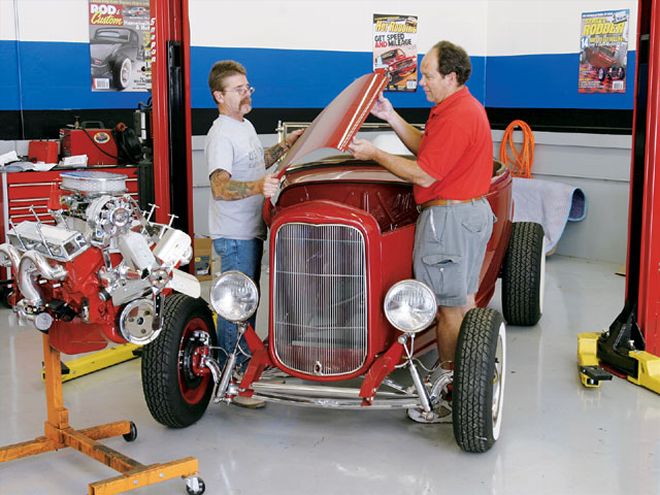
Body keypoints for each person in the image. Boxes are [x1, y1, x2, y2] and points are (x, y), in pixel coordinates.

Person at [348, 41, 494, 382]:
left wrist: (374, 154)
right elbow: (426, 149)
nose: (422, 82)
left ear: (451, 76)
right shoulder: (456, 107)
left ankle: (449, 386)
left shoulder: (458, 115)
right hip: (467, 214)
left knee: (448, 308)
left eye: (428, 76)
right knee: (463, 302)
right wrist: (389, 115)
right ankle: (468, 379)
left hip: (449, 220)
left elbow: (424, 173)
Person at [205, 60, 302, 406]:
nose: (247, 93)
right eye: (239, 89)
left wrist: (286, 145)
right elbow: (220, 186)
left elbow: (256, 159)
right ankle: (232, 379)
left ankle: (244, 366)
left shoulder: (243, 125)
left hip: (250, 231)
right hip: (233, 236)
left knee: (247, 303)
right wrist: (260, 186)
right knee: (237, 306)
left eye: (248, 87)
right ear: (219, 95)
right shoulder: (220, 133)